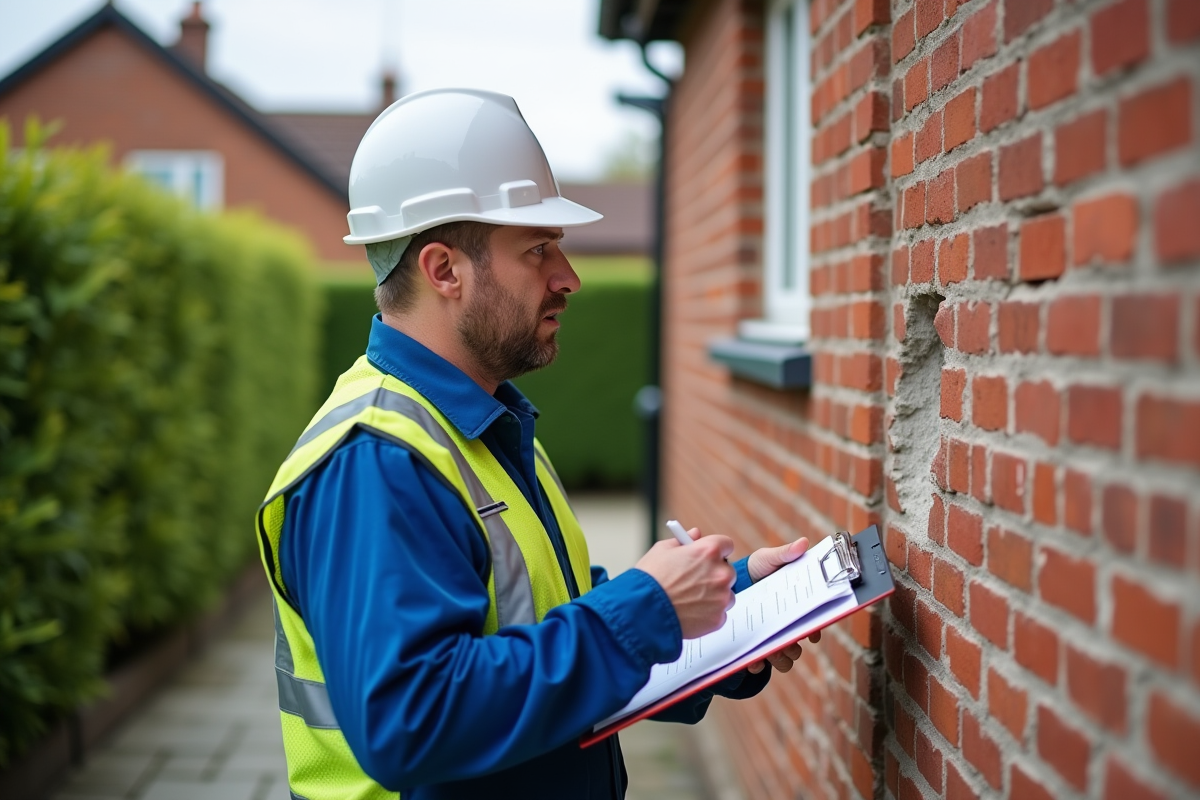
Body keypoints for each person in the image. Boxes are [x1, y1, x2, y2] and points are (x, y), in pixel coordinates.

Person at [255, 88, 818, 800]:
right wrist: (645, 608)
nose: (569, 279)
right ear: (444, 271)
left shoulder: (484, 426)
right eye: (538, 250)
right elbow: (410, 721)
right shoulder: (376, 462)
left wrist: (729, 610)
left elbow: (548, 631)